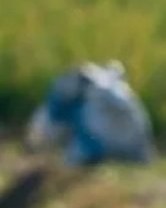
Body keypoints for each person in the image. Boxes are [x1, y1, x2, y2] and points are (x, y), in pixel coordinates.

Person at [25, 61, 154, 165]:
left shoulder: (92, 96)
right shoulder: (115, 91)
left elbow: (48, 124)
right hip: (133, 150)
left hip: (102, 148)